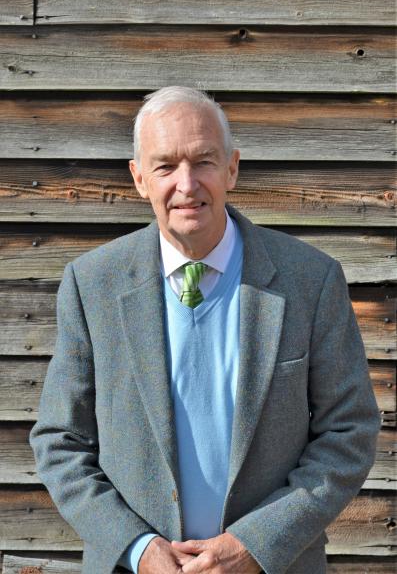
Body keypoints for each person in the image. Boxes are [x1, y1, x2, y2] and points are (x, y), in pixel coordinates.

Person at [30, 86, 380, 574]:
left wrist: (254, 544)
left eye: (204, 161)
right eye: (165, 165)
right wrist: (137, 548)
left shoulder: (310, 280)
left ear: (232, 168)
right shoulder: (93, 284)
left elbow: (350, 431)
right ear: (138, 179)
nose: (187, 183)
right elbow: (60, 441)